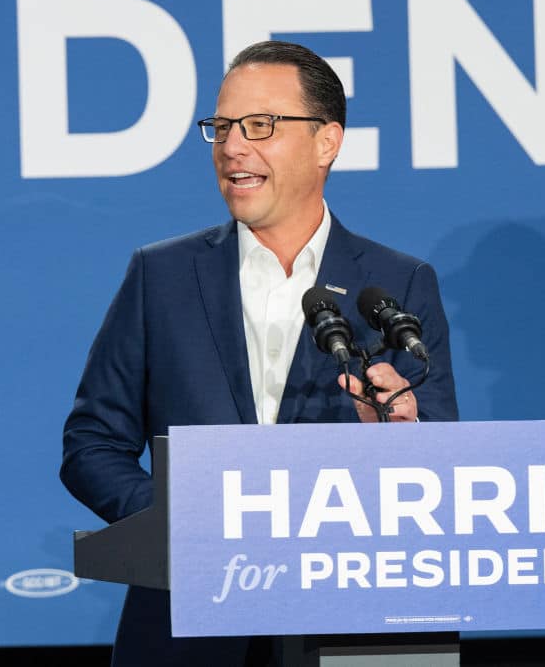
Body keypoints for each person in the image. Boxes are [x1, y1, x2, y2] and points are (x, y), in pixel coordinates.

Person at [61, 40, 458, 666]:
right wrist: (182, 523)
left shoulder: (397, 285)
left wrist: (404, 440)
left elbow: (441, 456)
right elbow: (92, 444)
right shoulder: (161, 276)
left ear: (327, 142)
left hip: (357, 618)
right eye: (221, 127)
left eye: (260, 126)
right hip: (191, 622)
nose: (232, 147)